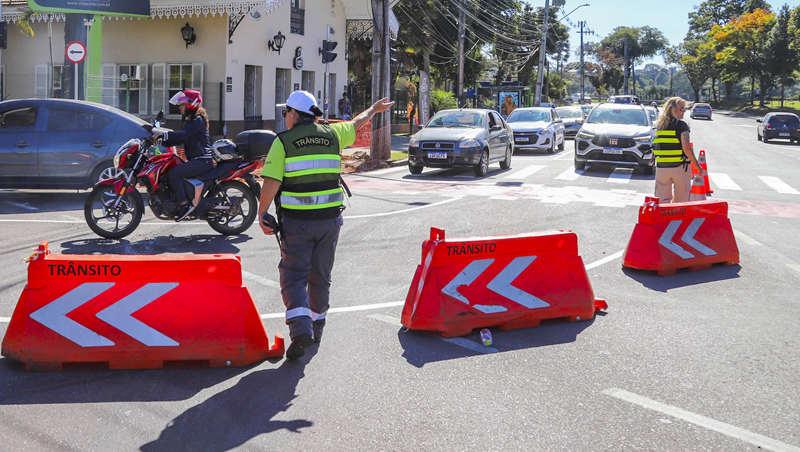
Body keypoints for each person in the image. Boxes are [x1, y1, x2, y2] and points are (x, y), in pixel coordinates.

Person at [258, 91, 394, 360]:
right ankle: (316, 328)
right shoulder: (332, 134)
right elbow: (356, 123)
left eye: (285, 112)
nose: (285, 116)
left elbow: (272, 182)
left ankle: (300, 331)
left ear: (294, 114)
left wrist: (262, 212)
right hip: (330, 222)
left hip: (298, 223)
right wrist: (374, 109)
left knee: (294, 276)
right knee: (320, 276)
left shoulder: (283, 141)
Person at [152, 90, 213, 220]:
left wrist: (165, 134)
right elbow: (180, 139)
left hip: (202, 160)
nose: (179, 107)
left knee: (174, 173)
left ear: (190, 104)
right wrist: (162, 141)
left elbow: (183, 134)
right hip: (198, 160)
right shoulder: (191, 121)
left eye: (182, 104)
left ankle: (184, 205)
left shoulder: (197, 120)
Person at [653, 97, 700, 203]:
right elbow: (686, 147)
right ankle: (677, 220)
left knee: (662, 200)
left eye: (685, 109)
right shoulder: (681, 125)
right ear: (673, 110)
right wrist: (697, 166)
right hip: (680, 167)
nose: (684, 111)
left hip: (661, 168)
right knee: (681, 200)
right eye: (681, 109)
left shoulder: (659, 125)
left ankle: (663, 219)